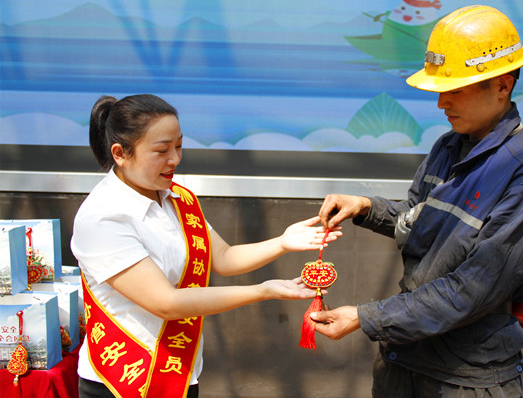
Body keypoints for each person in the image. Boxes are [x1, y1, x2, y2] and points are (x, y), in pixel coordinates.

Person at [312, 5, 523, 397]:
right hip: (403, 361)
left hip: (466, 378)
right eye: (440, 90)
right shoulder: (448, 147)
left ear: (503, 86)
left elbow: (473, 289)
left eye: (455, 90)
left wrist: (367, 317)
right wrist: (365, 207)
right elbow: (419, 221)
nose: (442, 103)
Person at [71, 94, 341, 398]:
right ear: (120, 153)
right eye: (161, 150)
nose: (175, 159)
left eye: (179, 146)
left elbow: (223, 257)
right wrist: (263, 290)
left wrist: (282, 243)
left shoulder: (177, 199)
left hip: (179, 373)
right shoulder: (103, 217)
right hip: (122, 380)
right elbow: (166, 303)